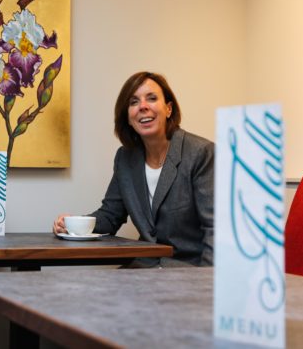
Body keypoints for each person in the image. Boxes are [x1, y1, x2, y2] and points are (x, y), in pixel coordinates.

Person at [53, 71, 214, 267]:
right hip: (143, 269)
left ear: (169, 109)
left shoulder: (201, 153)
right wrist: (72, 224)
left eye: (152, 98)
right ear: (128, 117)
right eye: (134, 102)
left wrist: (208, 284)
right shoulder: (125, 158)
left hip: (188, 272)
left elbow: (215, 229)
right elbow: (110, 216)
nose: (143, 107)